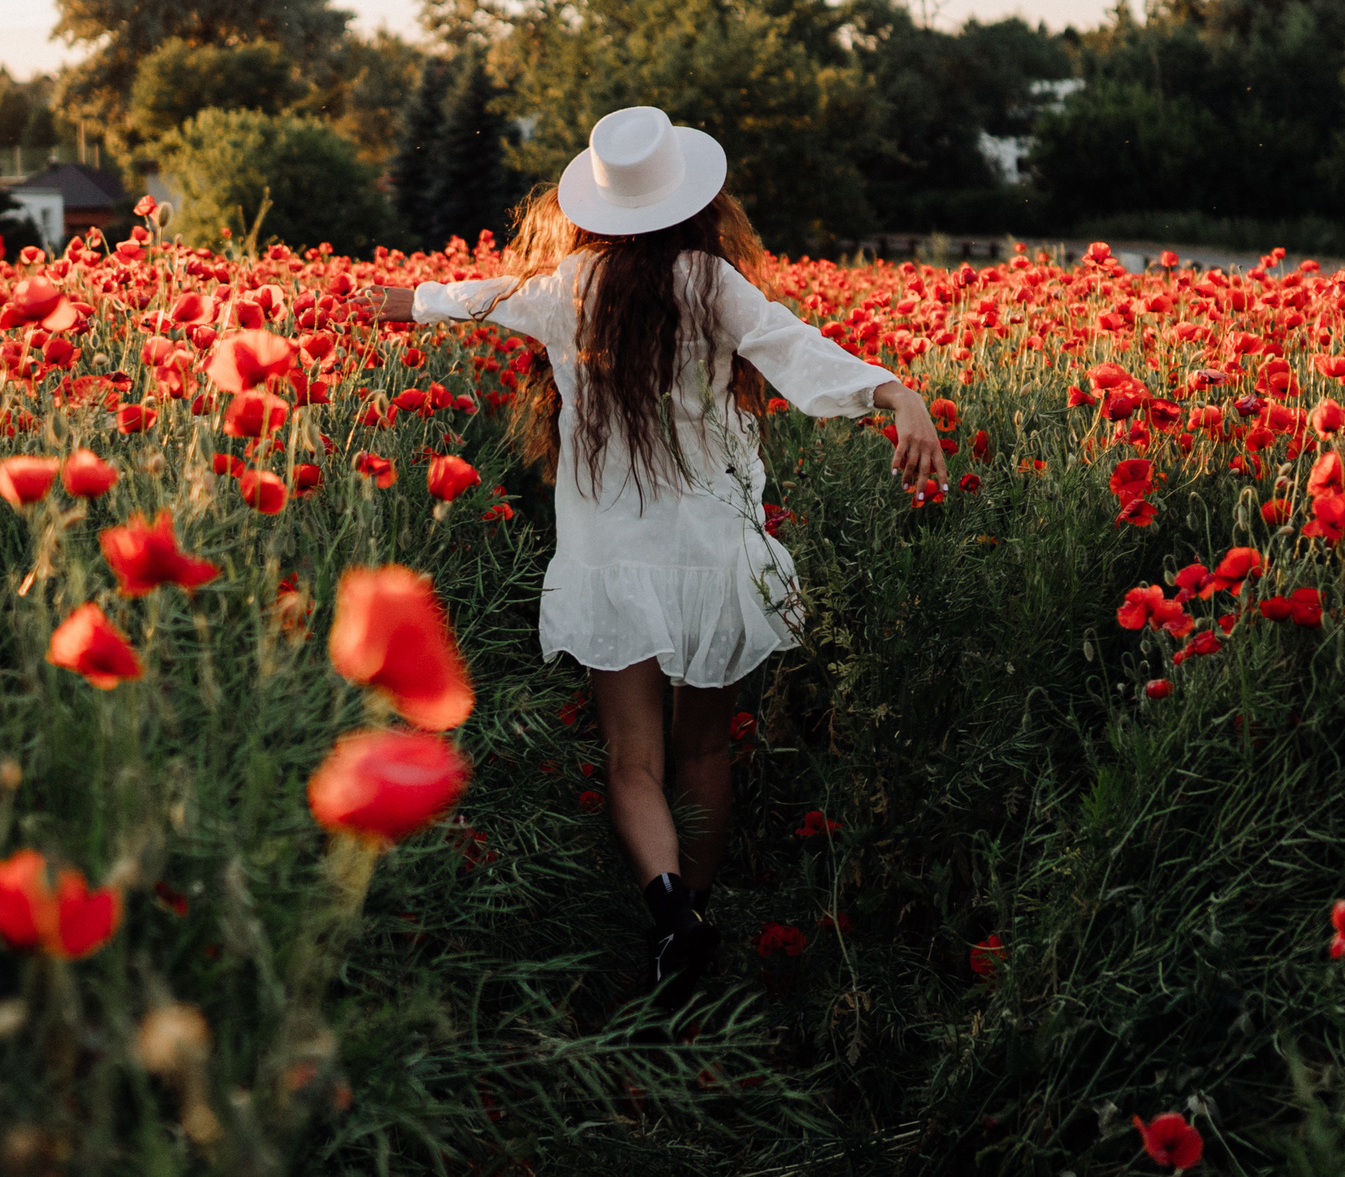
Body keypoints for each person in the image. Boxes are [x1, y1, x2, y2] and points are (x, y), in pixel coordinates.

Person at [374, 105, 945, 1006]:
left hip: (610, 555)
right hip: (712, 551)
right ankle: (705, 917)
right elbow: (797, 351)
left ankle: (672, 915)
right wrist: (894, 393)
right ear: (687, 200)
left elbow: (473, 295)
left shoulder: (567, 287)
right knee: (705, 750)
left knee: (632, 758)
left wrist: (404, 302)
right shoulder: (710, 283)